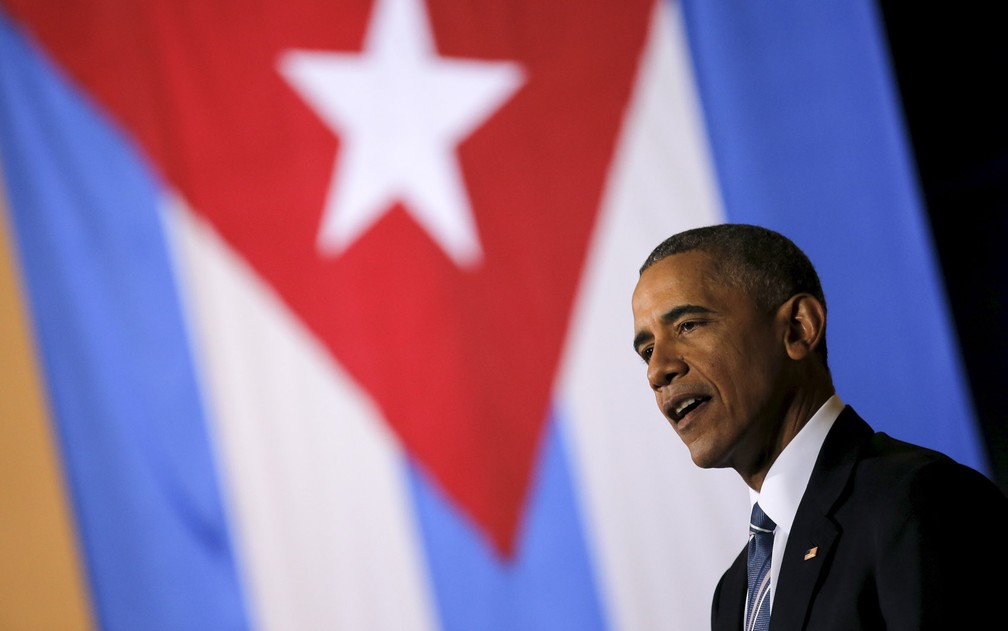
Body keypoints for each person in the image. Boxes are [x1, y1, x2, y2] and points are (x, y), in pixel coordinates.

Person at [630, 223, 1008, 630]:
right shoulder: (735, 592)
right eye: (648, 349)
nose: (658, 370)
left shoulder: (919, 501)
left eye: (688, 325)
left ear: (798, 328)